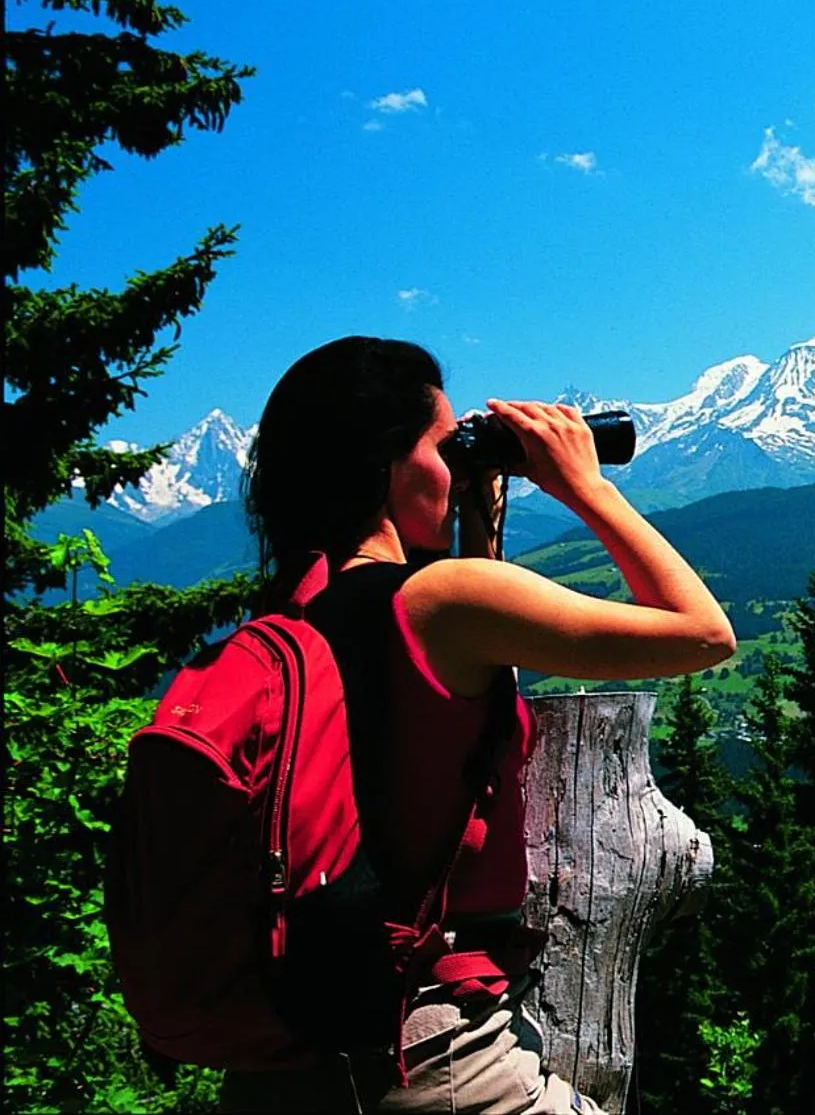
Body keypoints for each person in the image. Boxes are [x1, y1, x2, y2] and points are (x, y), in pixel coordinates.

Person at [222, 336, 735, 1114]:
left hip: (291, 1052)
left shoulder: (293, 615)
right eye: (444, 448)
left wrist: (474, 517)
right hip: (431, 1053)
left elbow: (460, 700)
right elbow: (702, 634)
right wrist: (585, 487)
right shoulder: (443, 602)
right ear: (389, 464)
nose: (456, 465)